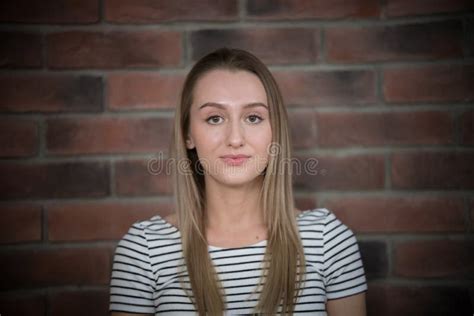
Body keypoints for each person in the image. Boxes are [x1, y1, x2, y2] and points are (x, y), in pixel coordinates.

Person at [109, 48, 367, 315]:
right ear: (188, 134)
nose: (235, 138)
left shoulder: (328, 241)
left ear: (275, 131)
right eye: (215, 118)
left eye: (253, 118)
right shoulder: (143, 251)